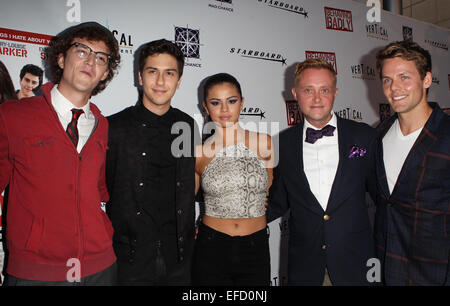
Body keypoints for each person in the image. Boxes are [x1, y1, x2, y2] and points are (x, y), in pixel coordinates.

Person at [0, 21, 121, 285]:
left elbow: (98, 191)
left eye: (101, 57)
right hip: (36, 271)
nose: (91, 60)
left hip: (100, 267)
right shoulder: (12, 116)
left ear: (105, 73)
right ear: (61, 58)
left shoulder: (103, 125)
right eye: (82, 50)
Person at [267, 59, 377, 285]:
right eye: (309, 90)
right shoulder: (283, 144)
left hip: (358, 265)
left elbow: (383, 196)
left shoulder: (364, 136)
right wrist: (225, 223)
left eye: (324, 90)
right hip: (307, 267)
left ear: (335, 92)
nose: (317, 99)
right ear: (295, 93)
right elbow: (276, 202)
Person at [105, 39, 197, 285]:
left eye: (169, 73)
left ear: (178, 81)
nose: (160, 81)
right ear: (139, 77)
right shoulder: (114, 127)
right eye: (152, 71)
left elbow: (189, 184)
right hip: (129, 259)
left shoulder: (186, 126)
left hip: (178, 258)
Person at [374, 40, 450, 285]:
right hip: (387, 270)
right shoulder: (378, 135)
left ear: (426, 80)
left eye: (404, 77)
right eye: (387, 80)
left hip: (435, 274)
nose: (394, 88)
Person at [192, 73, 274, 286]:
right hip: (212, 247)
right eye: (215, 103)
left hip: (256, 246)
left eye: (232, 101)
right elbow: (183, 201)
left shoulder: (264, 143)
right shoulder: (199, 152)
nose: (225, 110)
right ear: (205, 107)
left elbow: (269, 190)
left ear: (242, 102)